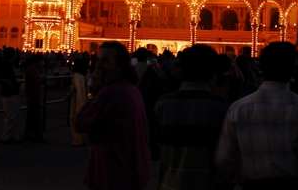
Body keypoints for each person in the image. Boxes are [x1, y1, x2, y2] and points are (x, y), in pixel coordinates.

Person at [216, 41, 298, 190]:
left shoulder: (239, 109)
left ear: (260, 67)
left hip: (250, 183)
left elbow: (224, 160)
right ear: (294, 69)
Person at [75, 41, 150, 190]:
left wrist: (95, 92)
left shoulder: (112, 92)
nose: (98, 66)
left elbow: (80, 123)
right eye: (98, 60)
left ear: (120, 65)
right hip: (130, 170)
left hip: (112, 172)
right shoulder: (132, 89)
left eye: (105, 61)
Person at [154, 44, 229, 190]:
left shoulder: (163, 104)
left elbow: (158, 147)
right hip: (207, 182)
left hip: (170, 182)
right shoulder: (221, 107)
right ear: (213, 73)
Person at [0, 47, 21, 144]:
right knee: (11, 115)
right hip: (8, 93)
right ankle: (6, 136)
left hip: (11, 92)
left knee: (13, 115)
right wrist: (8, 82)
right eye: (13, 54)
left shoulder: (9, 64)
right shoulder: (4, 64)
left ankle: (12, 135)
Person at [24, 54, 44, 142]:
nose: (43, 63)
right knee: (34, 116)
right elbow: (36, 80)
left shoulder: (32, 69)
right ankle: (35, 135)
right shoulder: (32, 70)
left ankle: (31, 134)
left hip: (33, 95)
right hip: (33, 96)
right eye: (41, 61)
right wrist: (41, 79)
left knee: (32, 116)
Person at [70, 56, 89, 146]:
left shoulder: (76, 76)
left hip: (77, 100)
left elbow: (77, 89)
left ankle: (77, 140)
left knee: (74, 119)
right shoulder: (83, 76)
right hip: (83, 99)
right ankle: (82, 139)